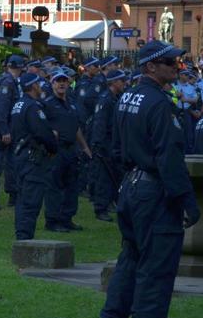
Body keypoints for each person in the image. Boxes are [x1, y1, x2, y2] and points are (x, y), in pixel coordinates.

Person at [93, 41, 199, 318]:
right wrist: (187, 200)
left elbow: (116, 147)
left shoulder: (127, 96)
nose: (177, 68)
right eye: (170, 63)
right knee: (156, 267)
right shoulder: (158, 103)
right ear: (151, 66)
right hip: (153, 192)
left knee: (130, 261)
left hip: (131, 186)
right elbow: (169, 157)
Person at [43, 68, 91, 232]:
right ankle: (52, 220)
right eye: (58, 81)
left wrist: (84, 147)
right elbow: (41, 125)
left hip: (71, 149)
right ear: (52, 83)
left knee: (71, 185)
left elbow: (75, 127)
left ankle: (67, 218)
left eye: (64, 81)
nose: (62, 84)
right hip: (56, 150)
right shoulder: (47, 104)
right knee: (54, 185)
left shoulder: (71, 103)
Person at [11, 73, 57, 240]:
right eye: (38, 83)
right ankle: (24, 238)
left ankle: (22, 235)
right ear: (33, 86)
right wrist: (53, 146)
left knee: (22, 199)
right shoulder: (33, 107)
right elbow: (42, 132)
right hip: (32, 159)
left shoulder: (18, 104)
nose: (41, 86)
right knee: (31, 200)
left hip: (21, 156)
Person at [0, 55, 24, 210]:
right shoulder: (8, 82)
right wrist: (4, 131)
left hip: (8, 126)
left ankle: (11, 194)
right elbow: (1, 108)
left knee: (11, 162)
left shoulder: (8, 80)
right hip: (3, 127)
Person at [91, 69, 127, 221]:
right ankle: (100, 209)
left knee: (114, 175)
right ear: (113, 82)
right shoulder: (105, 99)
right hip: (105, 143)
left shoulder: (115, 98)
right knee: (104, 177)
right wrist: (98, 145)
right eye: (122, 81)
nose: (124, 83)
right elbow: (100, 123)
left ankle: (110, 202)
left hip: (113, 142)